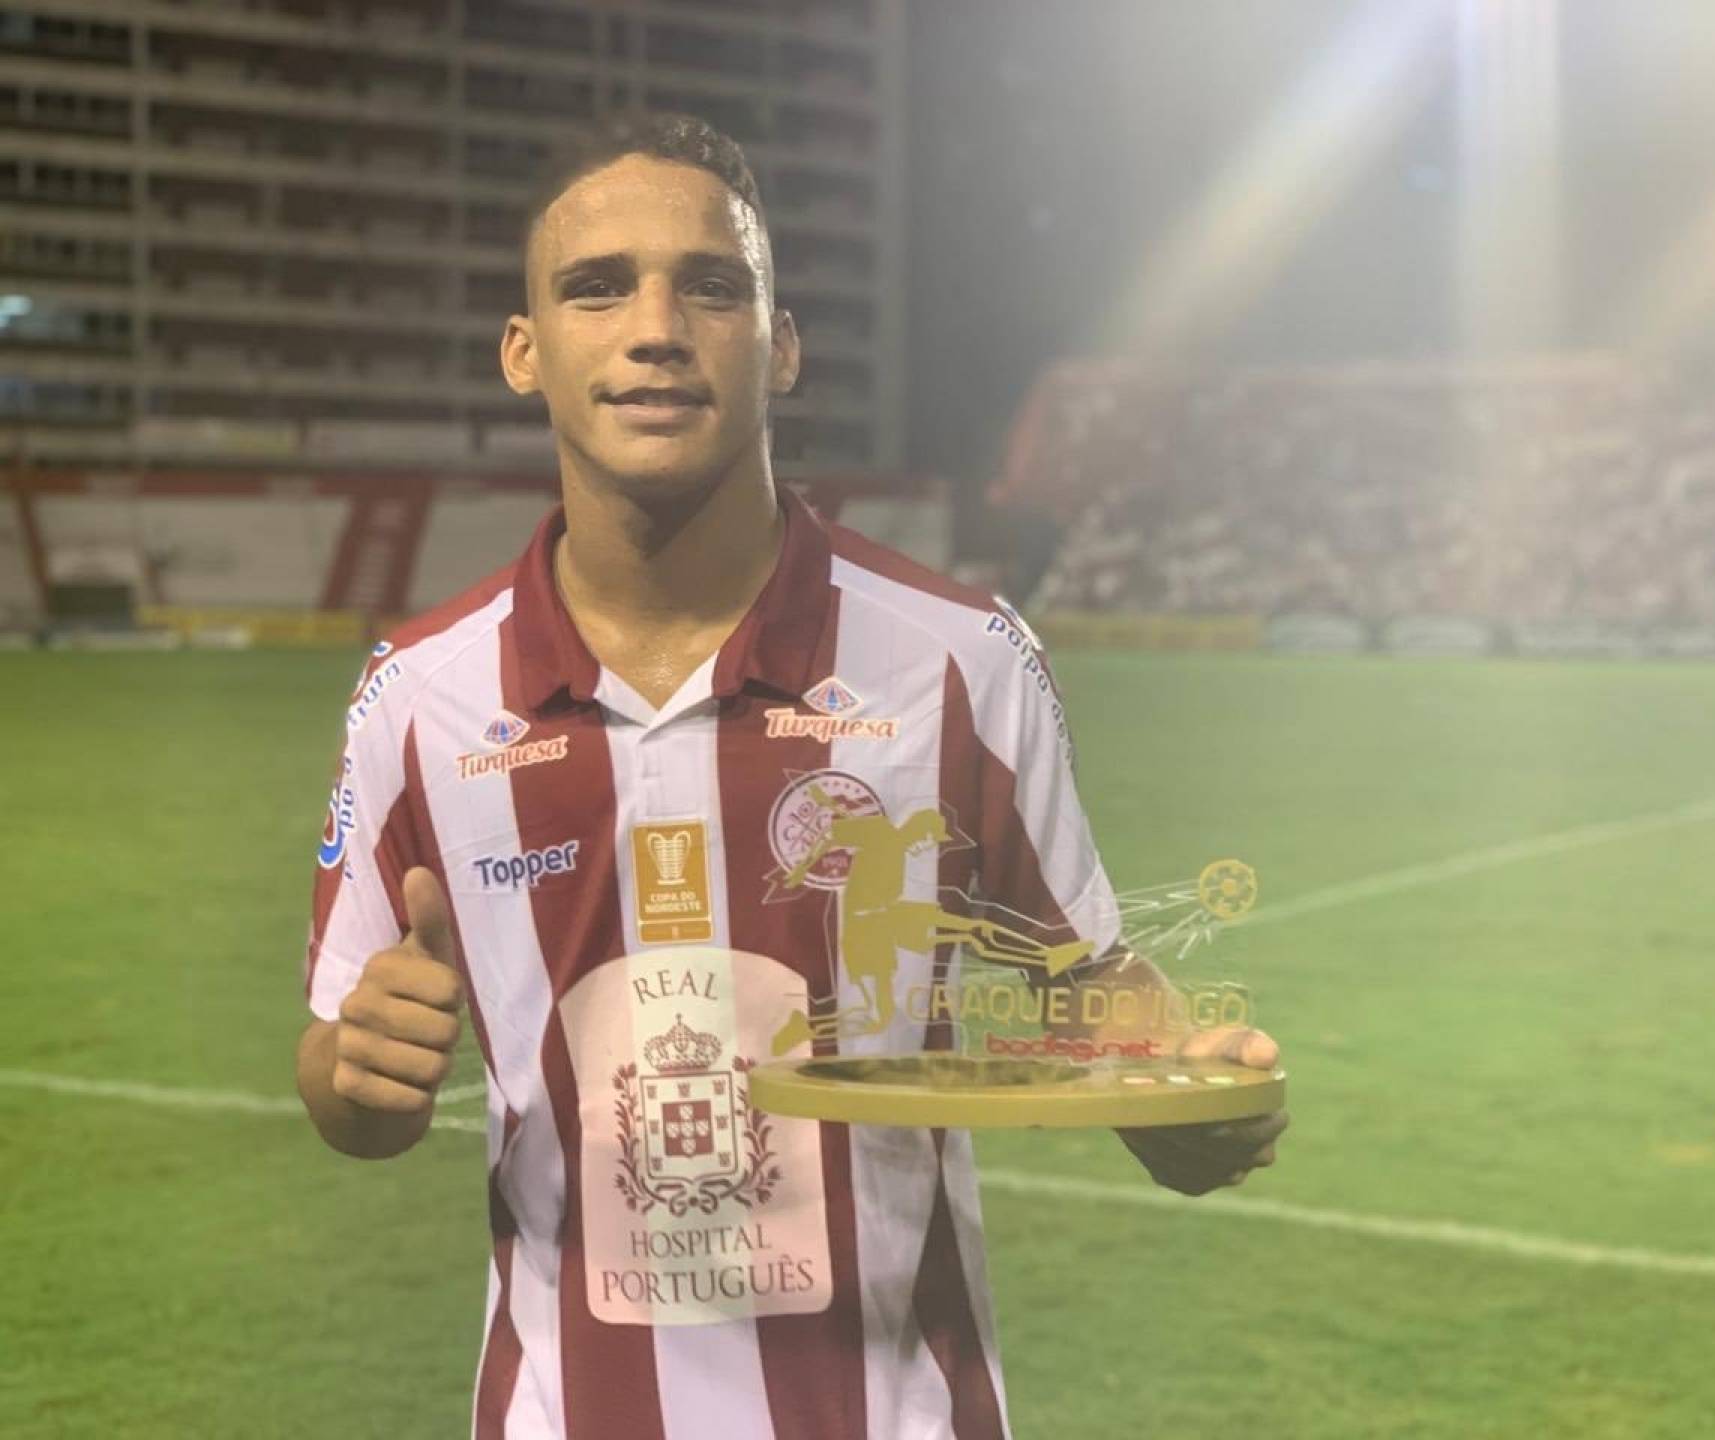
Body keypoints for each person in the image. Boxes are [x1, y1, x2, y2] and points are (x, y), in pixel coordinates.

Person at [293, 112, 1286, 1440]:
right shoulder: (417, 697)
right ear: (524, 352)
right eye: (598, 287)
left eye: (712, 286)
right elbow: (342, 1082)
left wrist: (1186, 1091)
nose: (656, 329)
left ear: (782, 344)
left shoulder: (961, 661)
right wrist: (362, 1073)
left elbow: (1089, 982)